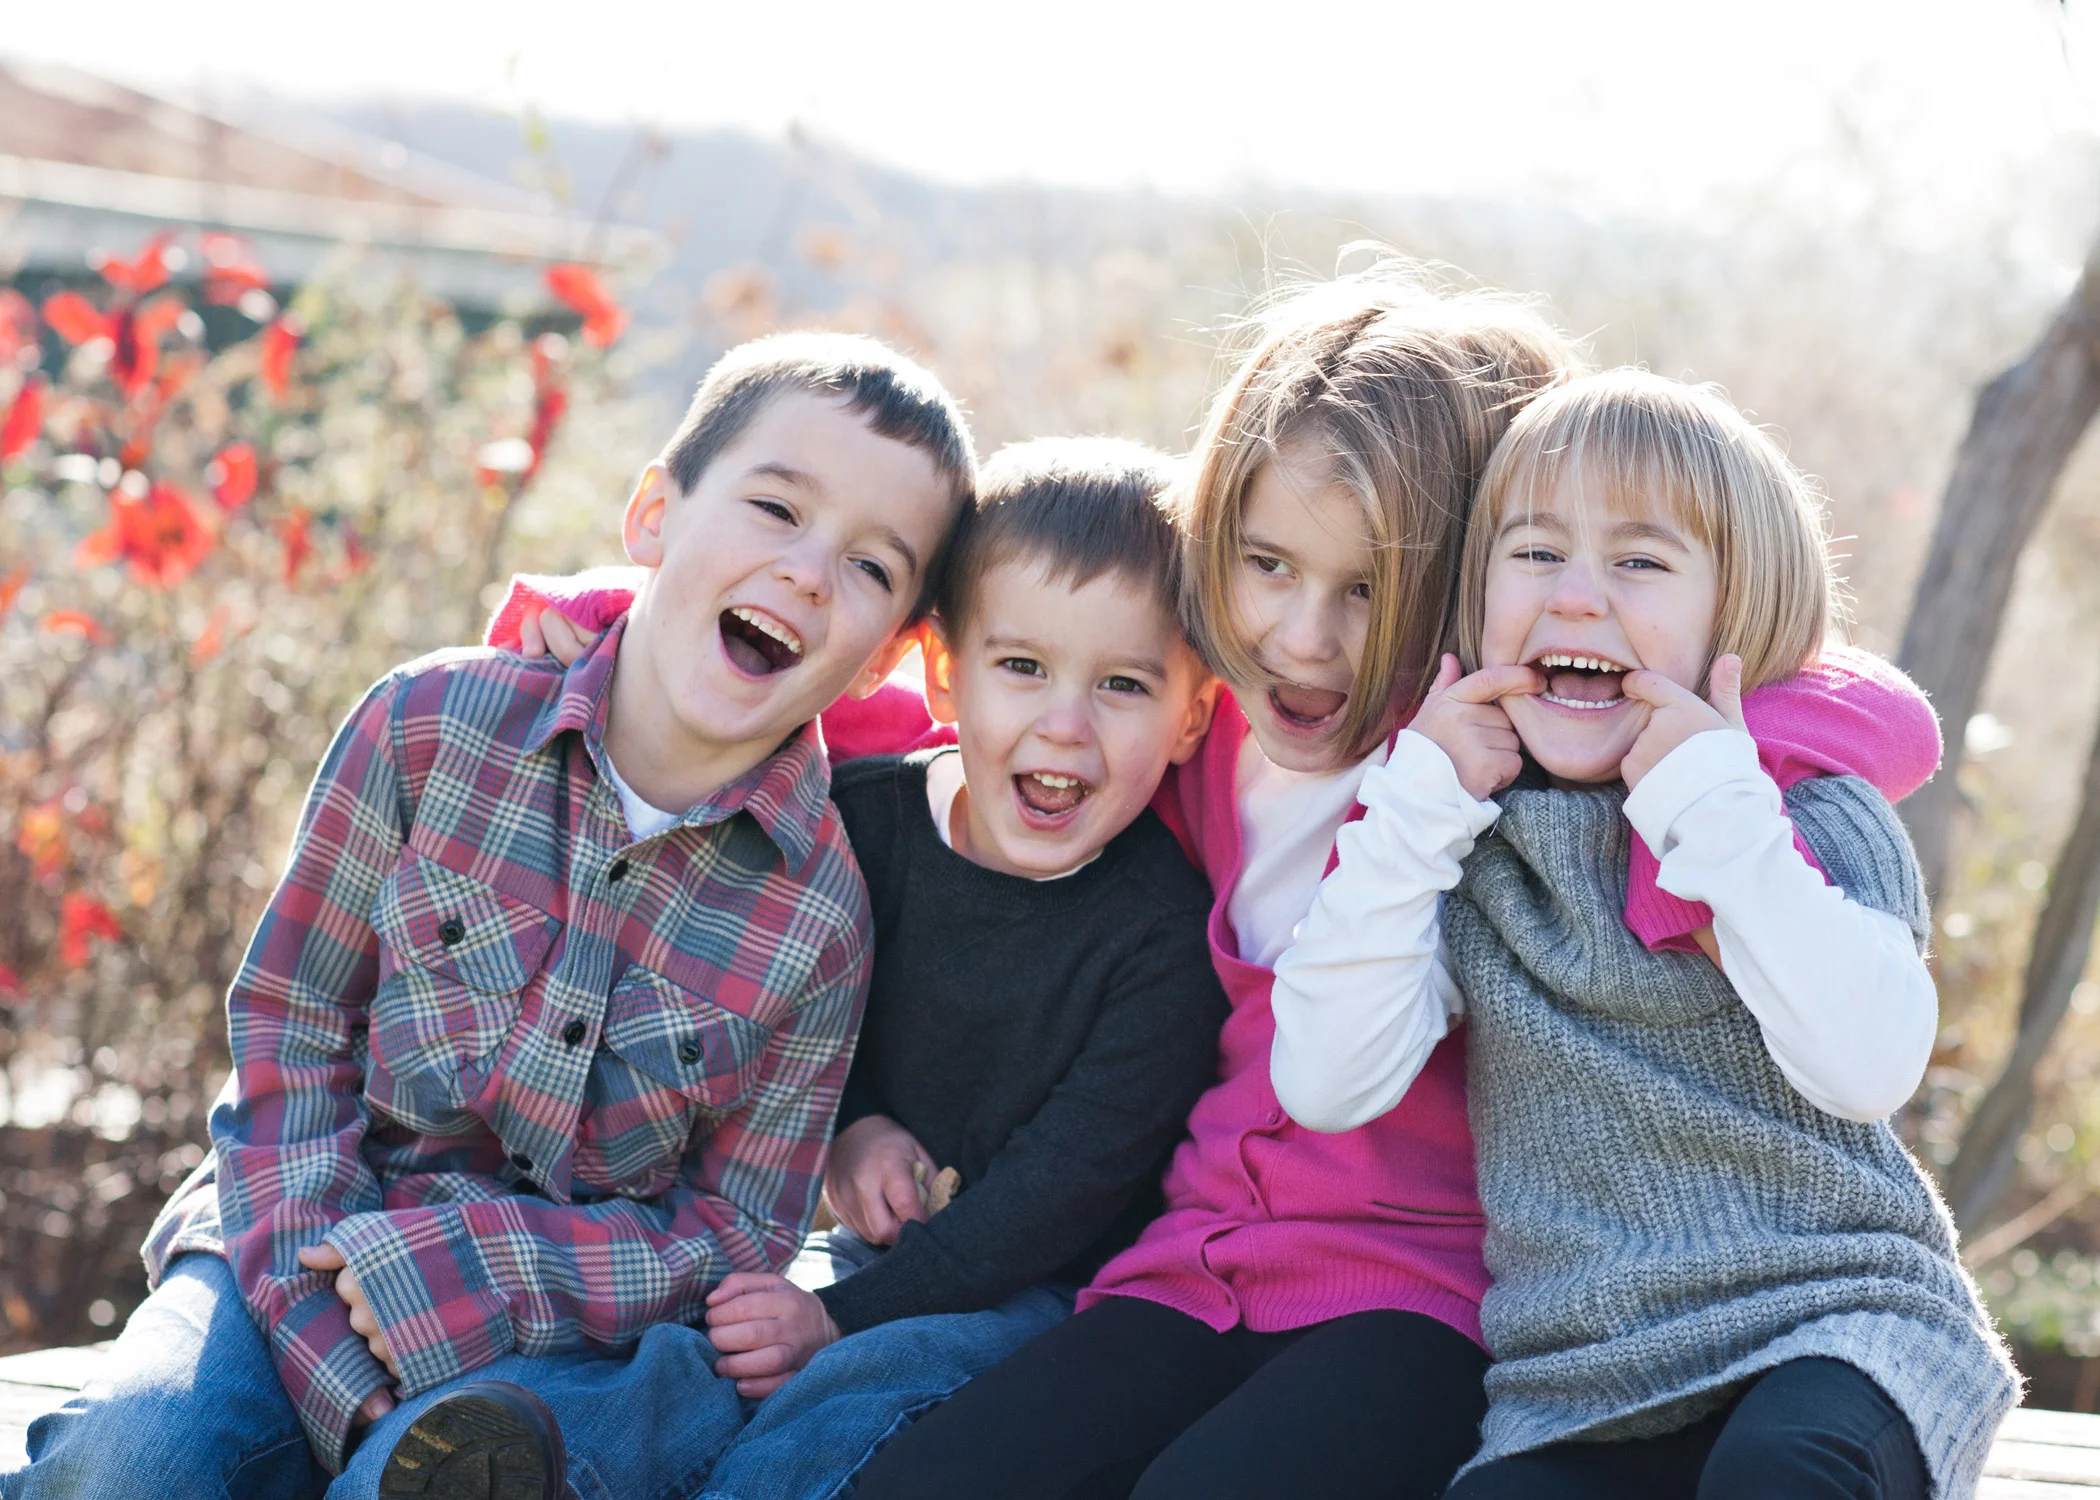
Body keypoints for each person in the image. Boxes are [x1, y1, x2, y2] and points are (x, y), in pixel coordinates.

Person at [2, 331, 978, 1500]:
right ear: (654, 514)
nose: (813, 572)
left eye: (872, 567)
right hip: (286, 1243)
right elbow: (291, 1027)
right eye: (777, 507)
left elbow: (736, 1231)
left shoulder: (819, 918)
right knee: (130, 1457)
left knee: (421, 1487)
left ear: (885, 661)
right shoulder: (427, 726)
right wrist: (330, 1338)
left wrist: (479, 1268)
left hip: (556, 1338)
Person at [847, 267, 1579, 1500]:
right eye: (1268, 566)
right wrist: (613, 615)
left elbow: (1787, 708)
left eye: (1368, 589)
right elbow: (913, 709)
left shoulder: (1498, 758)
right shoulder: (1194, 733)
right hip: (1183, 1273)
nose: (1305, 639)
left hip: (1420, 1300)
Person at [1266, 370, 2019, 1499]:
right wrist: (1414, 807)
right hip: (1582, 1382)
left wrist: (1719, 813)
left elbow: (1871, 1065)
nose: (1577, 597)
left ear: (1738, 613)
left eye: (1639, 561)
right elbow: (1328, 1081)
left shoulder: (1806, 812)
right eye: (1534, 552)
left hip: (1834, 1325)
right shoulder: (1471, 846)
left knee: (1786, 1474)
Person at [692, 437, 1229, 1499]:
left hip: (1035, 1297)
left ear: (1193, 715)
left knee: (853, 1390)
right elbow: (789, 1021)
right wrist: (853, 1126)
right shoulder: (860, 828)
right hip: (848, 1256)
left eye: (1123, 684)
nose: (1063, 725)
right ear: (944, 670)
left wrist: (835, 1323)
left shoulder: (1165, 938)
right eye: (1022, 667)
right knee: (706, 1340)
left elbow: (1053, 1198)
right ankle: (557, 1460)